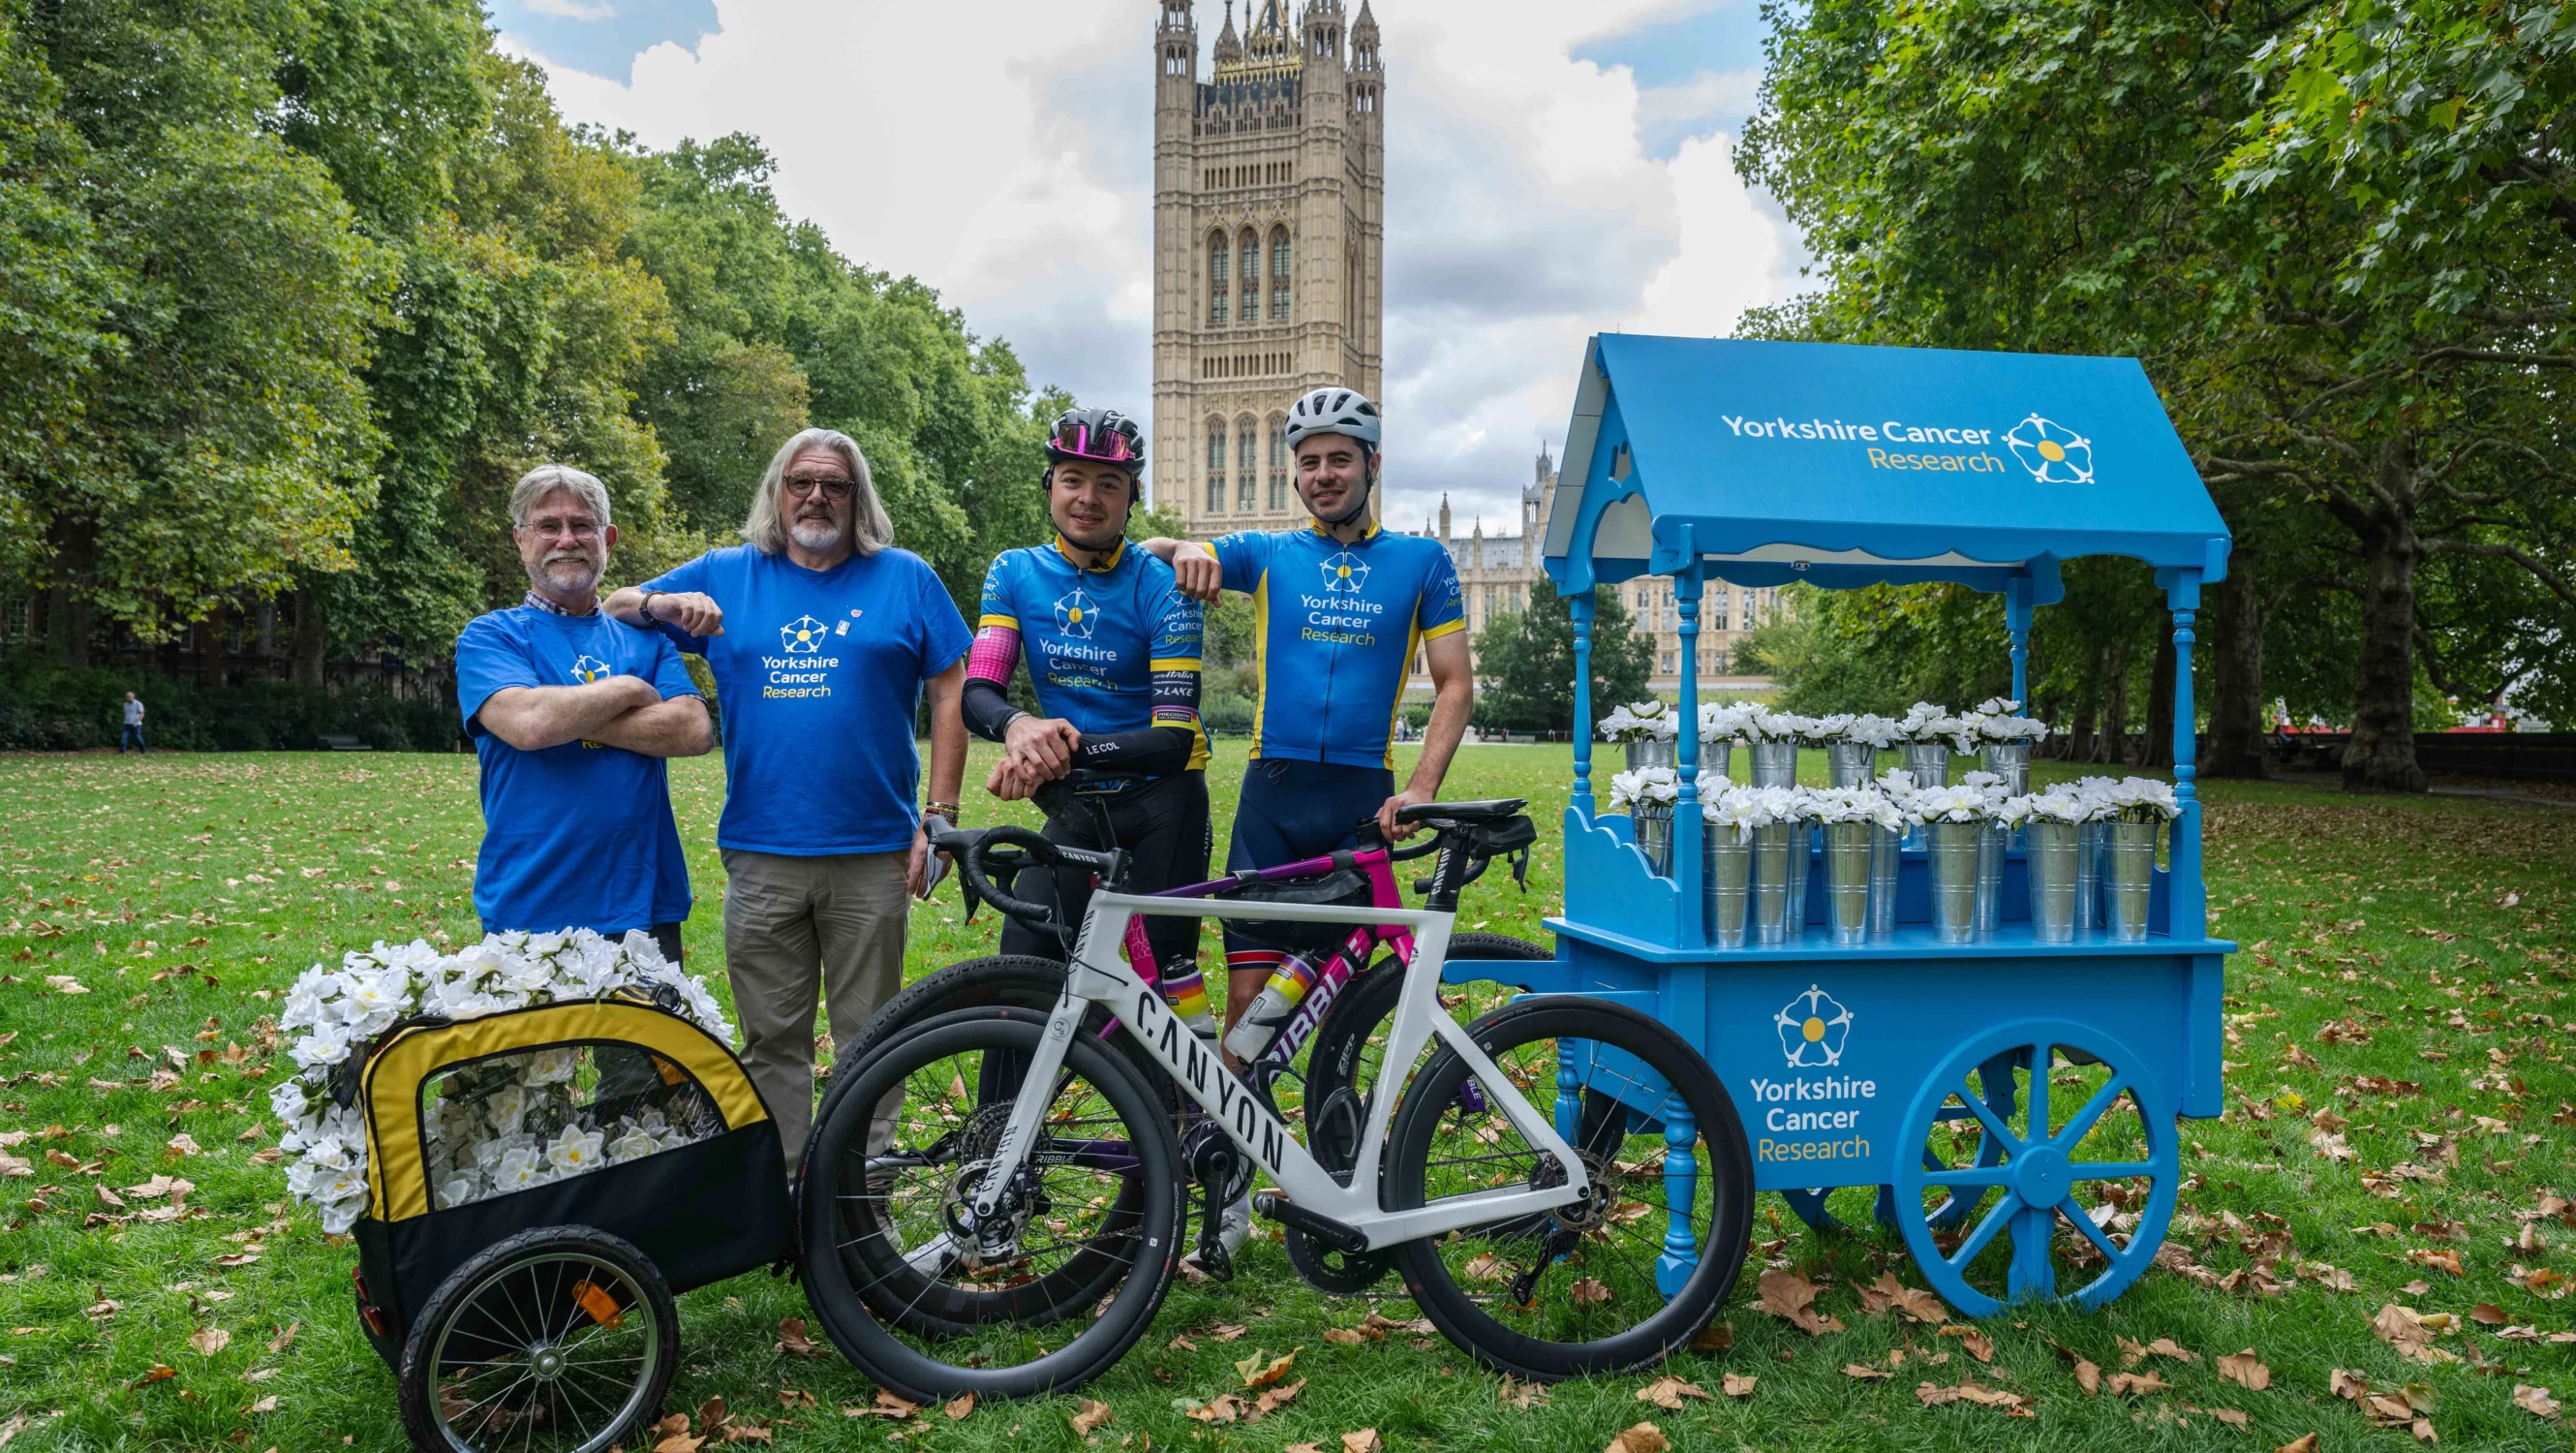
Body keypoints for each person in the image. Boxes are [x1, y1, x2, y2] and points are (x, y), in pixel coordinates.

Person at [1139, 385, 1474, 1258]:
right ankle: (1233, 1203)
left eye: (1340, 459)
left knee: (1341, 1012)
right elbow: (1154, 548)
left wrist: (1425, 785)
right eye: (1311, 461)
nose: (1324, 475)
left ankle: (1334, 1167)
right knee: (1251, 1016)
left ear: (1371, 466)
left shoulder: (1422, 561)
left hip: (1360, 802)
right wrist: (1188, 549)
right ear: (1296, 472)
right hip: (1272, 798)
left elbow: (1455, 682)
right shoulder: (1268, 554)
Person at [605, 428, 970, 1166]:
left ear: (857, 498)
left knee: (871, 1036)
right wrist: (663, 603)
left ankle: (859, 1198)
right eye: (802, 481)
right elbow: (614, 607)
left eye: (835, 485)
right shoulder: (728, 573)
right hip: (763, 850)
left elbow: (950, 691)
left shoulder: (903, 577)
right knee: (773, 1038)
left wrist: (940, 817)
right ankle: (789, 1193)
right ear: (778, 491)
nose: (817, 496)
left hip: (874, 852)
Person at [963, 406, 1215, 1036]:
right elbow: (979, 693)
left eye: (1109, 484)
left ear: (1133, 497)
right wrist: (1021, 729)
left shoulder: (1164, 586)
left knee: (1155, 1001)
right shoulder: (1013, 572)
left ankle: (1170, 1131)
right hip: (1076, 808)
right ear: (1049, 486)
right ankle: (999, 1135)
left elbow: (1172, 739)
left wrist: (1057, 752)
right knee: (1020, 977)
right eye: (1073, 478)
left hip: (1164, 806)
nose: (1089, 497)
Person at [455, 465, 714, 965]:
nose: (566, 539)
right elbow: (528, 725)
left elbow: (692, 729)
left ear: (607, 538)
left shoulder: (647, 637)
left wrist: (561, 715)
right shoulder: (492, 636)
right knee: (536, 1047)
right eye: (548, 525)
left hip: (642, 902)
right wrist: (630, 688)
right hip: (529, 901)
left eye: (582, 525)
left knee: (640, 1046)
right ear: (520, 539)